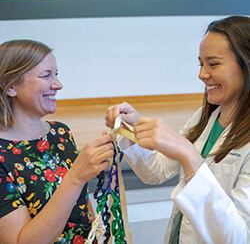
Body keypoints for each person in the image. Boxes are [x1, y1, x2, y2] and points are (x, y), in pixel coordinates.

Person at [105, 16, 250, 243]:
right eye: (201, 64)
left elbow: (238, 237)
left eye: (213, 64)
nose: (202, 74)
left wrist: (189, 155)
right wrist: (133, 130)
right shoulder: (204, 119)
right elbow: (155, 172)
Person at [0, 39, 114, 243]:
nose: (58, 85)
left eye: (56, 74)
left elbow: (81, 210)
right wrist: (76, 176)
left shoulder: (61, 133)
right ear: (10, 86)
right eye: (46, 76)